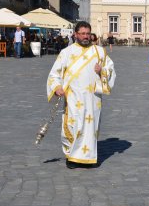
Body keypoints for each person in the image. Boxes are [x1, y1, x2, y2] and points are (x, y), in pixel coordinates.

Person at [46, 21, 116, 169]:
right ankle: (72, 157)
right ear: (76, 34)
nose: (86, 37)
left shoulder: (99, 51)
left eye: (88, 34)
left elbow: (110, 70)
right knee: (73, 125)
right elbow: (54, 74)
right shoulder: (66, 52)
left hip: (92, 99)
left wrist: (102, 70)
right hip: (73, 97)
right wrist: (57, 87)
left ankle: (88, 157)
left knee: (90, 128)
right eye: (82, 34)